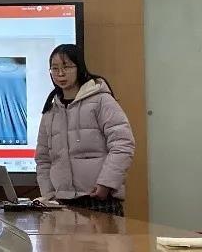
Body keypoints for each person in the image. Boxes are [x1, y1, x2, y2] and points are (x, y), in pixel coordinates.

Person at [34, 44, 136, 216]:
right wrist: (49, 194)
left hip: (99, 199)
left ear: (79, 67)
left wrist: (106, 183)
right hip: (62, 204)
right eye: (55, 68)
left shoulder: (102, 100)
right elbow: (43, 159)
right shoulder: (50, 111)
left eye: (66, 67)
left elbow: (123, 144)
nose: (60, 74)